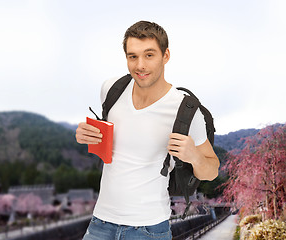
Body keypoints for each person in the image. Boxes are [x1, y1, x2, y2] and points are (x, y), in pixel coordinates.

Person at [75, 20, 219, 240]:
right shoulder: (112, 89)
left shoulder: (186, 111)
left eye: (149, 55)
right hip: (100, 224)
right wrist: (86, 134)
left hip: (148, 230)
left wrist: (194, 156)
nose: (140, 65)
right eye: (133, 56)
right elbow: (113, 142)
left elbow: (212, 170)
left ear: (166, 56)